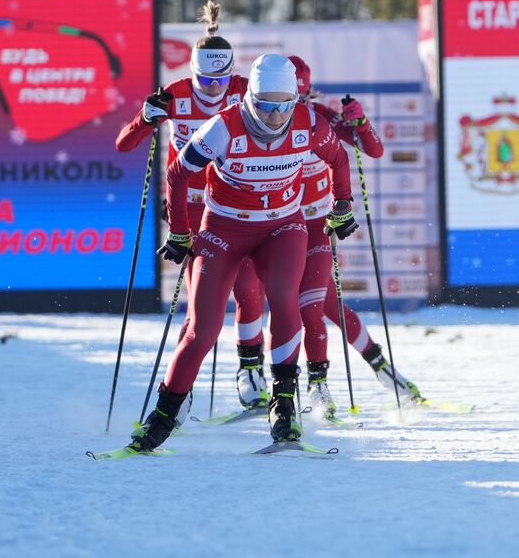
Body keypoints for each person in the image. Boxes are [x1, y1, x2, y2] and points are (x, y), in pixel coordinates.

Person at [129, 55, 359, 452]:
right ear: (250, 97)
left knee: (285, 299)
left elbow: (339, 158)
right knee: (203, 329)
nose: (274, 116)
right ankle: (163, 416)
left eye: (283, 105)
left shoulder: (307, 123)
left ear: (295, 101)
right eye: (265, 105)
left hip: (282, 226)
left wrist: (342, 207)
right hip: (224, 229)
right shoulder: (224, 127)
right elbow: (179, 174)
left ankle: (284, 406)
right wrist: (181, 233)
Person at [231, 57, 420, 418]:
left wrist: (359, 122)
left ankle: (320, 388)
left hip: (315, 224)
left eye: (297, 101)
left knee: (312, 307)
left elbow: (374, 150)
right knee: (292, 301)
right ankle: (257, 375)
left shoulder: (319, 118)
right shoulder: (256, 121)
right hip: (276, 227)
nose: (283, 114)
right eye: (282, 102)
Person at [114, 2, 246, 426]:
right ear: (192, 73)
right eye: (205, 80)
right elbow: (123, 145)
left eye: (221, 80)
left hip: (234, 206)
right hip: (189, 210)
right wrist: (144, 118)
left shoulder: (246, 89)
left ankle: (253, 374)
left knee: (249, 292)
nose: (213, 89)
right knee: (198, 307)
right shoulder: (174, 93)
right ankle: (177, 390)